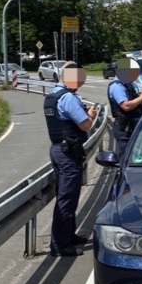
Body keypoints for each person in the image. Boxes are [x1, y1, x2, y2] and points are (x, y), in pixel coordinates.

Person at [43, 61, 97, 257]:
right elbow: (84, 126)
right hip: (68, 152)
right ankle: (59, 245)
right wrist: (90, 115)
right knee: (67, 198)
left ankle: (69, 235)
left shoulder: (51, 95)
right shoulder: (68, 98)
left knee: (68, 195)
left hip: (58, 149)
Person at [107, 57, 142, 154]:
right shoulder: (117, 86)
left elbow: (138, 97)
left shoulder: (129, 83)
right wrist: (141, 97)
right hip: (124, 128)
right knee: (128, 154)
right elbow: (126, 106)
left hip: (134, 125)